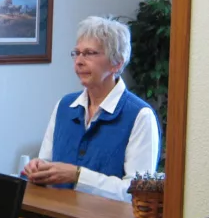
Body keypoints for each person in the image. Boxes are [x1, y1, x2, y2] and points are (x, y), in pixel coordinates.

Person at [24, 16, 160, 202]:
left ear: (117, 63)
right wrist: (37, 168)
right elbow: (46, 162)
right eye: (76, 53)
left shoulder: (140, 116)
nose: (79, 61)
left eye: (89, 53)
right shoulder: (64, 106)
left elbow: (136, 193)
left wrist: (78, 176)